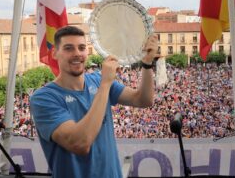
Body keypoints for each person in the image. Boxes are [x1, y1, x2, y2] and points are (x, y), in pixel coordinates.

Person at [30, 26, 158, 178]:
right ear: (54, 53)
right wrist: (105, 84)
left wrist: (147, 64)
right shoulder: (43, 98)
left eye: (82, 47)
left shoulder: (97, 79)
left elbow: (143, 99)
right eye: (68, 48)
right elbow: (80, 144)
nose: (77, 53)